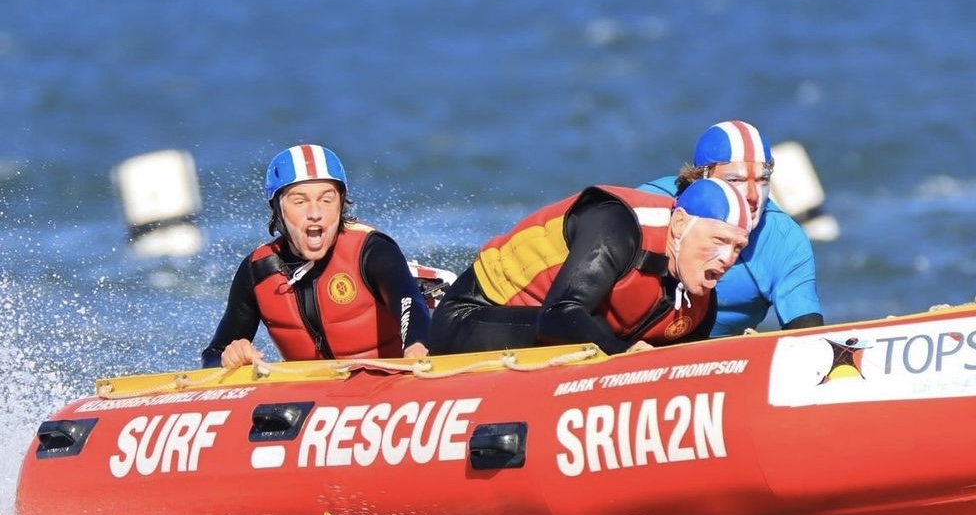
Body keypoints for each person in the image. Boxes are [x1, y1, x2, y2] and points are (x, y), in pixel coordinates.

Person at [428, 178, 753, 356]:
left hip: (566, 331)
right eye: (718, 240)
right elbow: (559, 317)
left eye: (738, 247)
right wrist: (622, 353)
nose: (727, 258)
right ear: (680, 224)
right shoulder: (619, 227)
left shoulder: (698, 302)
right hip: (470, 316)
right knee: (579, 332)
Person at [201, 143, 430, 369]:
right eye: (299, 201)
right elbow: (213, 354)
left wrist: (416, 346)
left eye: (326, 200)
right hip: (320, 394)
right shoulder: (258, 271)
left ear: (341, 204)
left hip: (389, 380)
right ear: (277, 210)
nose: (315, 214)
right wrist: (227, 358)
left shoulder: (372, 250)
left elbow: (410, 302)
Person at [639, 120, 824, 336]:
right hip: (634, 348)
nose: (753, 196)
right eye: (736, 179)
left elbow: (809, 339)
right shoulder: (651, 207)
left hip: (724, 360)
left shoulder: (785, 240)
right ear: (700, 179)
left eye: (763, 180)